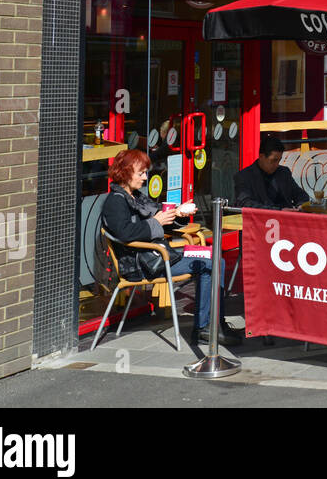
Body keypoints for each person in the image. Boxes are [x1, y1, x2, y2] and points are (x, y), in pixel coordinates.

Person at [103, 149, 242, 347]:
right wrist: (156, 222)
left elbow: (159, 216)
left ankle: (215, 323)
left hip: (159, 255)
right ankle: (204, 328)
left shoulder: (135, 196)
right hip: (143, 263)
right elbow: (125, 233)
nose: (145, 177)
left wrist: (177, 213)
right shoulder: (115, 202)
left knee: (213, 256)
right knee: (209, 264)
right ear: (125, 172)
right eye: (141, 173)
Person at [234, 135, 309, 210]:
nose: (276, 165)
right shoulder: (244, 176)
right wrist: (278, 211)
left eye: (279, 160)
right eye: (273, 160)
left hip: (286, 219)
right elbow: (245, 203)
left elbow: (301, 195)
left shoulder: (284, 172)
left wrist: (300, 206)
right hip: (260, 219)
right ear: (261, 157)